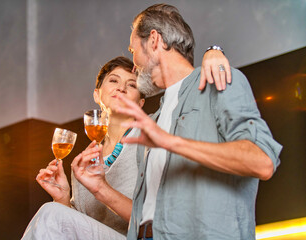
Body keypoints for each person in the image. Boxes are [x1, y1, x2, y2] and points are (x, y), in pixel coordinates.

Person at [104, 4, 282, 240]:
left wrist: (171, 142)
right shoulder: (152, 121)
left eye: (132, 49)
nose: (133, 63)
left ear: (154, 41)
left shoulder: (220, 79)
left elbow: (262, 161)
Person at [21, 51, 232, 239]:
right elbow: (75, 228)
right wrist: (63, 198)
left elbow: (165, 218)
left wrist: (213, 53)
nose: (121, 88)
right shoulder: (84, 162)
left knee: (50, 213)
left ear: (140, 102)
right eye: (113, 81)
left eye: (131, 85)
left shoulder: (155, 134)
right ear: (97, 94)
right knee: (54, 211)